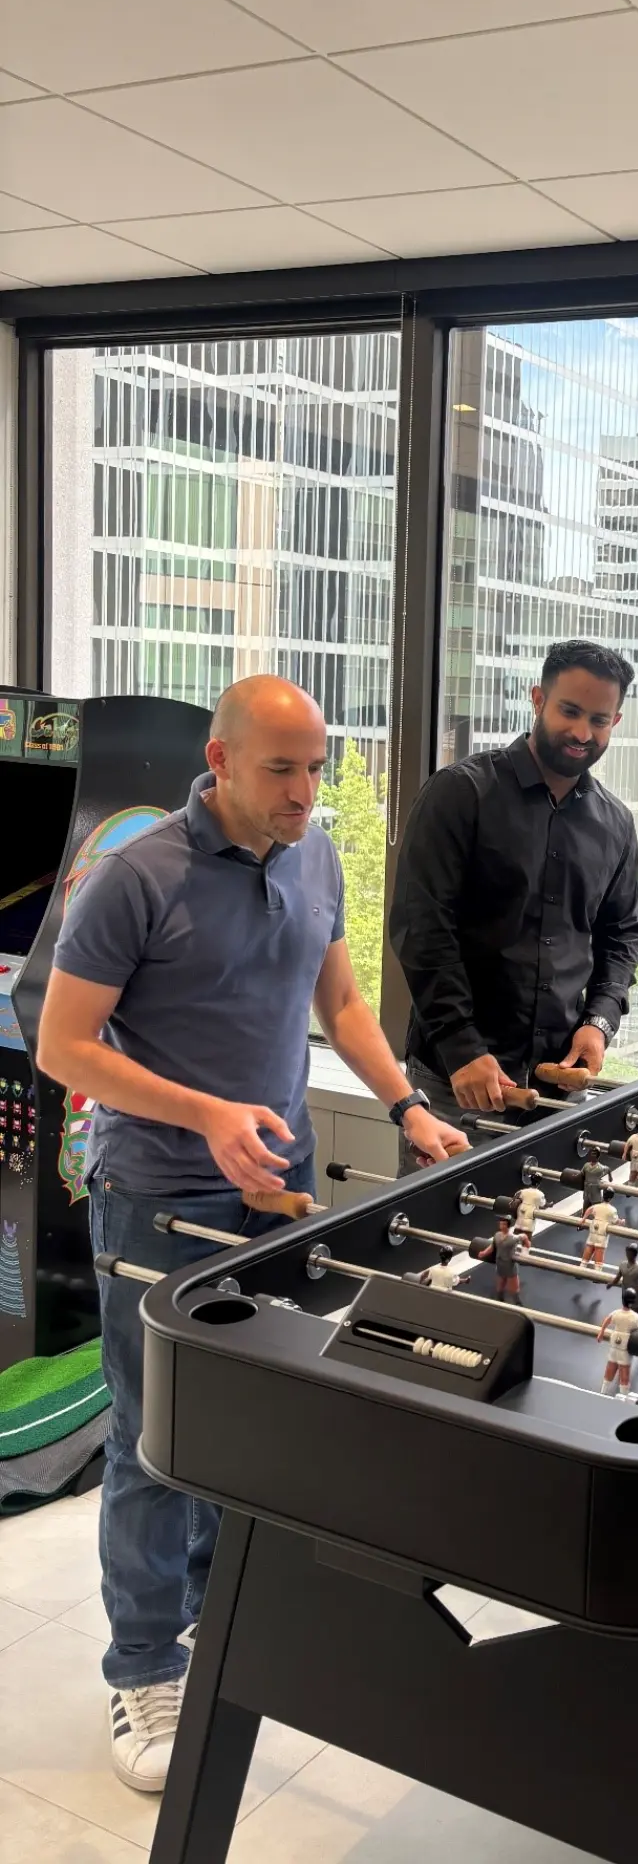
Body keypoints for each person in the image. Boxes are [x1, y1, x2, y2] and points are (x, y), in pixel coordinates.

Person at [35, 677, 467, 1792]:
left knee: (252, 1426)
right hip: (155, 1194)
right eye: (283, 767)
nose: (306, 790)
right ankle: (144, 1662)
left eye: (318, 766)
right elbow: (63, 1047)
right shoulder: (136, 878)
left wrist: (410, 1105)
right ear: (220, 761)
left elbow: (345, 1003)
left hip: (269, 1196)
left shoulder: (313, 854)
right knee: (155, 1440)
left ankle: (228, 1614)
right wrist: (208, 1112)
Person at [389, 640, 638, 1151]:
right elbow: (422, 928)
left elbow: (623, 933)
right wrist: (462, 1048)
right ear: (537, 700)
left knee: (548, 1230)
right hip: (453, 1086)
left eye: (598, 719)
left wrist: (599, 1022)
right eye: (569, 711)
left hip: (558, 1096)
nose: (581, 732)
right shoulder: (460, 793)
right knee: (434, 1231)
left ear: (615, 722)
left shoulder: (616, 823)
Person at [598, 1292, 638, 1395]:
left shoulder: (616, 1313)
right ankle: (623, 1395)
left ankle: (603, 1392)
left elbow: (607, 1320)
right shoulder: (635, 1317)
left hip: (614, 1345)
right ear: (632, 1303)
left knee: (610, 1368)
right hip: (624, 1348)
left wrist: (601, 1333)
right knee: (624, 1372)